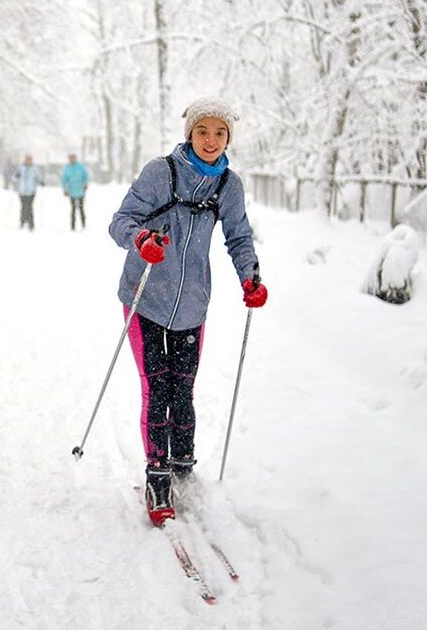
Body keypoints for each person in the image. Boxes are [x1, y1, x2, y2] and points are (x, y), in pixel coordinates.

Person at [107, 97, 268, 525]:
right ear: (189, 134)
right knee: (156, 387)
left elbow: (238, 236)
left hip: (193, 302)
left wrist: (249, 277)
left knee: (183, 388)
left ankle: (183, 463)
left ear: (228, 137)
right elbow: (120, 221)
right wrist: (141, 239)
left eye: (219, 133)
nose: (211, 140)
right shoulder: (162, 172)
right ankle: (158, 474)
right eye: (203, 131)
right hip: (145, 297)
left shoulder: (228, 187)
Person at [11, 155, 42, 231]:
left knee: (30, 207)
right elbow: (14, 178)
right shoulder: (21, 168)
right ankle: (23, 222)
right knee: (23, 207)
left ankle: (31, 224)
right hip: (22, 191)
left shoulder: (34, 168)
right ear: (24, 160)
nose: (28, 161)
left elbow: (38, 177)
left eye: (30, 160)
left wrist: (41, 182)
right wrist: (16, 177)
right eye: (27, 159)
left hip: (31, 191)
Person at [61, 153, 89, 230]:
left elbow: (85, 176)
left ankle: (83, 225)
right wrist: (65, 189)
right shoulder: (67, 168)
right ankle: (72, 227)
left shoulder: (80, 167)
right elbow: (64, 180)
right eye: (70, 158)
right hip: (72, 192)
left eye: (73, 158)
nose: (72, 159)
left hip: (80, 191)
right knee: (73, 210)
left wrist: (85, 184)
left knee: (81, 209)